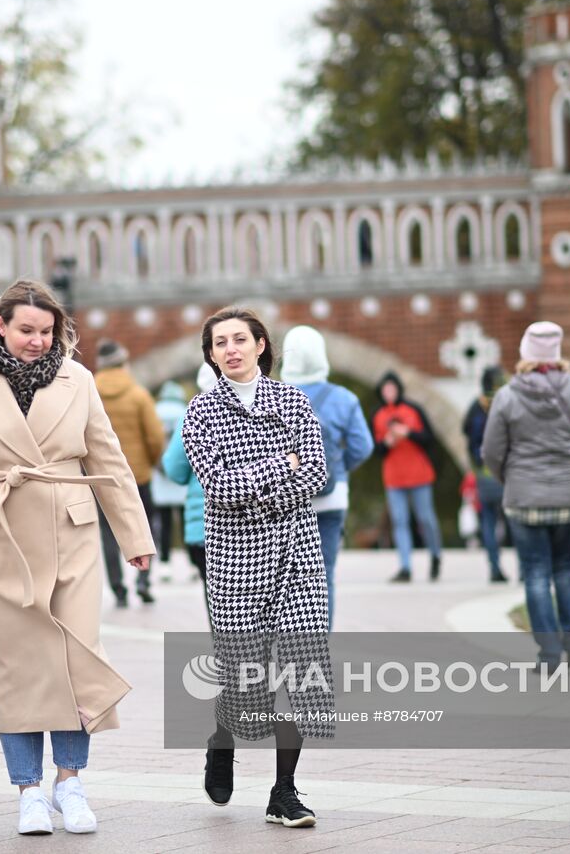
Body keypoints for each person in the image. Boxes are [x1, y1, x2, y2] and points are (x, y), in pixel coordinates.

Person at [0, 279, 154, 836]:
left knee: (76, 663)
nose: (38, 341)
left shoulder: (80, 380)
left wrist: (135, 536)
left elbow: (110, 461)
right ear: (0, 324)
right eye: (27, 330)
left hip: (70, 534)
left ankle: (70, 782)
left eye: (48, 331)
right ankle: (27, 791)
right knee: (16, 671)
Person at [183, 307, 332, 830]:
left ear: (262, 344)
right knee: (246, 681)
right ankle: (222, 737)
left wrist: (254, 482)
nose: (231, 349)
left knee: (303, 677)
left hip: (299, 560)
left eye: (240, 339)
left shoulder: (293, 400)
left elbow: (315, 474)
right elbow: (217, 490)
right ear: (211, 354)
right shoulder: (200, 413)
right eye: (219, 342)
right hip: (235, 564)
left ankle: (284, 791)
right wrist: (277, 470)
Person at [482, 324, 570, 666]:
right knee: (565, 568)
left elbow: (491, 452)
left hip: (524, 497)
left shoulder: (507, 396)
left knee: (535, 574)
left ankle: (549, 654)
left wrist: (510, 479)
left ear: (525, 352)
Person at [280, 325, 373, 630]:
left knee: (285, 576)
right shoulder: (343, 398)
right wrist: (336, 466)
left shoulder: (275, 397)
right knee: (324, 574)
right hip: (332, 496)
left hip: (287, 498)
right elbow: (363, 445)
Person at [92, 339, 165, 607]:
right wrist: (153, 462)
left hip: (100, 478)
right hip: (138, 475)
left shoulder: (90, 393)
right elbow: (155, 437)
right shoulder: (138, 394)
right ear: (124, 362)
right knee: (144, 524)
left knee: (108, 531)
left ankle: (118, 588)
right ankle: (144, 580)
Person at [372, 371, 442, 581]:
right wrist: (386, 444)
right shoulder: (378, 415)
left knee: (426, 519)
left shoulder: (413, 410)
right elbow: (374, 449)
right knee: (400, 521)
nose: (389, 393)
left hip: (419, 475)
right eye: (385, 389)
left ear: (399, 389)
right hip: (394, 478)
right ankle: (405, 567)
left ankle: (435, 555)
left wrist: (408, 433)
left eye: (392, 388)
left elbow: (429, 438)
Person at [161, 364, 219, 614]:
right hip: (257, 525)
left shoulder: (194, 413)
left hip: (204, 524)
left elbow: (173, 467)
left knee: (218, 603)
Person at [462, 365, 509, 582]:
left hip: (484, 472)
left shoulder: (476, 406)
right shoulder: (506, 401)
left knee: (488, 521)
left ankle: (494, 567)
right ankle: (524, 569)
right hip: (506, 470)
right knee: (512, 520)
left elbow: (465, 430)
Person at [150, 379, 189, 577]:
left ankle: (164, 564)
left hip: (159, 473)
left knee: (163, 521)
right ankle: (190, 564)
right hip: (180, 473)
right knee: (184, 520)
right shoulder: (185, 411)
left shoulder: (155, 411)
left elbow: (151, 441)